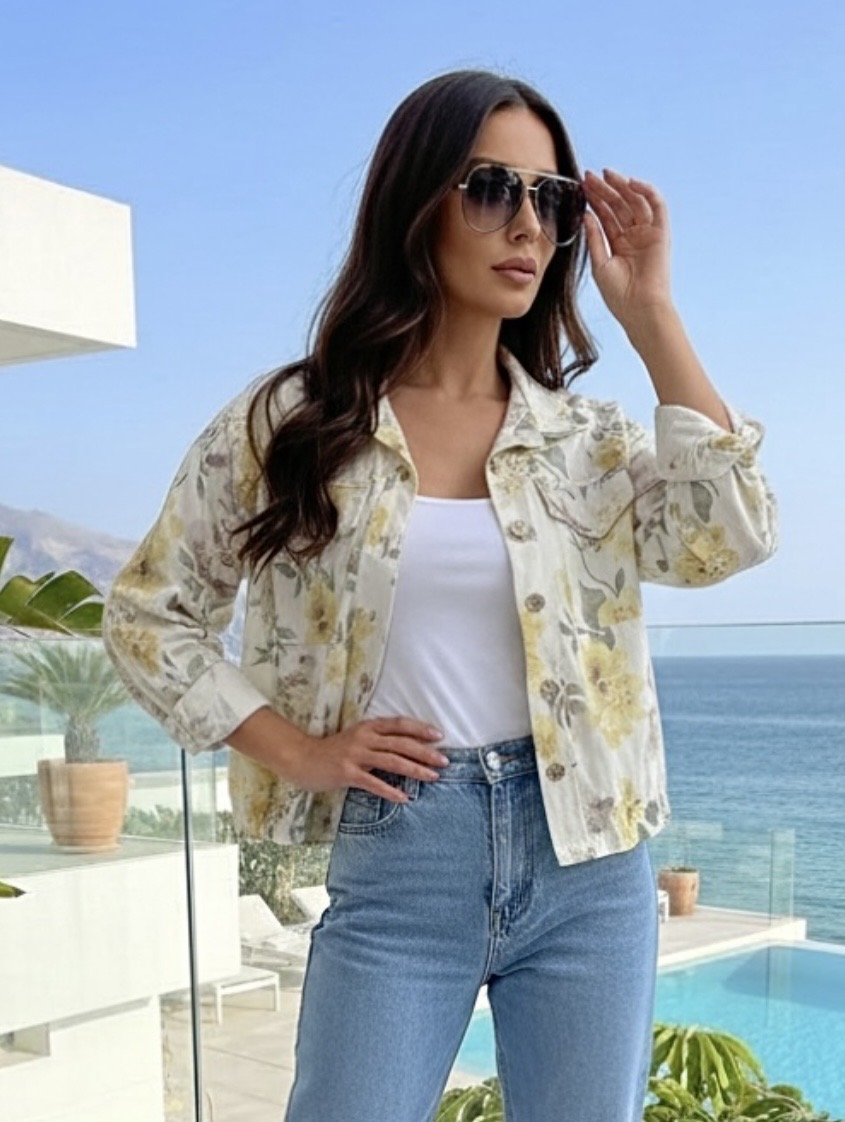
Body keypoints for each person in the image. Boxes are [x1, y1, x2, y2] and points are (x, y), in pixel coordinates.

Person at [103, 69, 777, 1122]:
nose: (526, 224)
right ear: (415, 200)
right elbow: (149, 612)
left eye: (551, 199)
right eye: (491, 188)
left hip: (589, 864)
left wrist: (650, 315)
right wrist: (297, 750)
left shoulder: (585, 443)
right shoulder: (294, 423)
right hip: (402, 851)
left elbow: (726, 535)